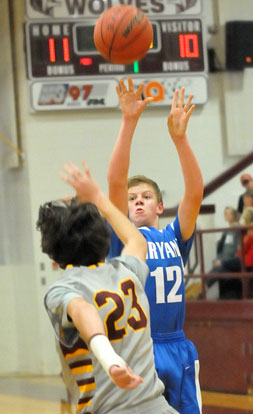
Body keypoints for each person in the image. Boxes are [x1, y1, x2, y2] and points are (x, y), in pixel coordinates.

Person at [37, 161, 175, 414]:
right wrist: (98, 197)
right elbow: (135, 240)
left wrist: (110, 361)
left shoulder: (62, 289)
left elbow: (83, 311)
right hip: (158, 407)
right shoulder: (127, 272)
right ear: (103, 238)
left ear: (53, 256)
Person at [107, 78, 204, 414]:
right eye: (131, 199)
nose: (137, 202)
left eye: (146, 197)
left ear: (160, 207)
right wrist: (128, 122)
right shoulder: (123, 238)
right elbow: (116, 181)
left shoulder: (174, 236)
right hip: (138, 350)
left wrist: (180, 140)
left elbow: (193, 194)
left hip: (177, 345)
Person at [207, 206, 240, 298]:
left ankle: (204, 287)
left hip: (232, 263)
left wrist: (222, 262)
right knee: (216, 267)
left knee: (219, 268)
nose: (225, 215)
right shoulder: (227, 231)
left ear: (233, 215)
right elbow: (222, 249)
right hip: (224, 261)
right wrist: (218, 259)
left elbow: (237, 251)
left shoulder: (238, 229)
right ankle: (203, 286)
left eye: (227, 213)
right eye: (225, 213)